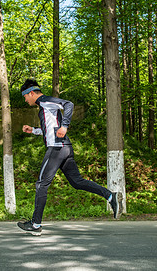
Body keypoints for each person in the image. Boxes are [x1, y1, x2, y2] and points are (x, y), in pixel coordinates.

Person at [17, 79, 123, 236]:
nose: (25, 100)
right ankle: (110, 196)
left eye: (25, 96)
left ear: (31, 93)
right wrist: (33, 130)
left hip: (56, 149)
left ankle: (35, 224)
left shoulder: (44, 101)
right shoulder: (44, 108)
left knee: (41, 184)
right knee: (77, 182)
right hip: (65, 148)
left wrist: (65, 125)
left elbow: (69, 104)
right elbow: (51, 129)